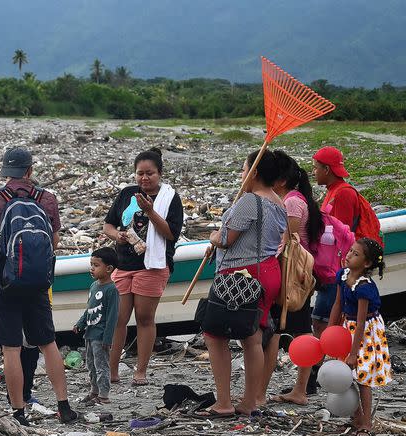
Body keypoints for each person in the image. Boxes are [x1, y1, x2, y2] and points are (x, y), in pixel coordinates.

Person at [0, 146, 77, 425]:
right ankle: (64, 406)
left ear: (5, 172)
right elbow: (54, 243)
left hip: (5, 281)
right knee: (48, 343)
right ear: (30, 170)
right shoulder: (46, 198)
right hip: (38, 282)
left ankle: (19, 411)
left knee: (11, 348)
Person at [199, 150, 287, 418]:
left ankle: (223, 402)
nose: (241, 174)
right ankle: (250, 401)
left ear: (255, 172)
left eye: (244, 168)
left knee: (215, 333)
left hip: (241, 276)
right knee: (253, 336)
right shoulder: (279, 203)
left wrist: (214, 237)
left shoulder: (250, 201)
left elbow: (226, 238)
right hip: (268, 272)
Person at [103, 149, 184, 386]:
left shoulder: (169, 198)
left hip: (152, 265)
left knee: (144, 318)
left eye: (150, 173)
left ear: (160, 173)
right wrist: (116, 235)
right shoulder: (128, 193)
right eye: (140, 173)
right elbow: (108, 225)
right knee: (118, 318)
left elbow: (170, 233)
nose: (144, 178)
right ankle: (112, 370)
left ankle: (140, 371)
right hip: (124, 263)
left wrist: (150, 211)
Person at [262, 152, 324, 406]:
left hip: (292, 276)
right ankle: (299, 388)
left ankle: (296, 389)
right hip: (296, 275)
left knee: (288, 331)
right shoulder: (295, 199)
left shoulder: (292, 203)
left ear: (282, 180)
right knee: (293, 331)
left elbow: (287, 242)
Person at [328, 238, 391, 436]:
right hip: (348, 327)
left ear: (366, 264)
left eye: (355, 254)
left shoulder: (365, 287)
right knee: (345, 375)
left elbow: (363, 322)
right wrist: (330, 331)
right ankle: (355, 417)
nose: (348, 255)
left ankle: (367, 422)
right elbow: (337, 304)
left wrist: (354, 353)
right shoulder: (342, 275)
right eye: (350, 251)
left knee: (362, 377)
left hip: (366, 332)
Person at [312, 146, 357, 337]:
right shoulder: (333, 191)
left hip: (335, 271)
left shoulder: (343, 193)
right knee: (321, 319)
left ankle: (322, 363)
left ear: (327, 169)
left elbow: (344, 237)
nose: (314, 172)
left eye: (316, 167)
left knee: (323, 321)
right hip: (328, 269)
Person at [73, 247, 119, 405]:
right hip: (90, 333)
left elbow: (112, 317)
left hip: (100, 336)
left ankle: (104, 395)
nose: (92, 268)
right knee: (91, 365)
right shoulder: (94, 286)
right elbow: (89, 309)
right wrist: (80, 323)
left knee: (101, 366)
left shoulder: (112, 290)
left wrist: (108, 339)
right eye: (91, 264)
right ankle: (94, 391)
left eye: (96, 265)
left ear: (109, 269)